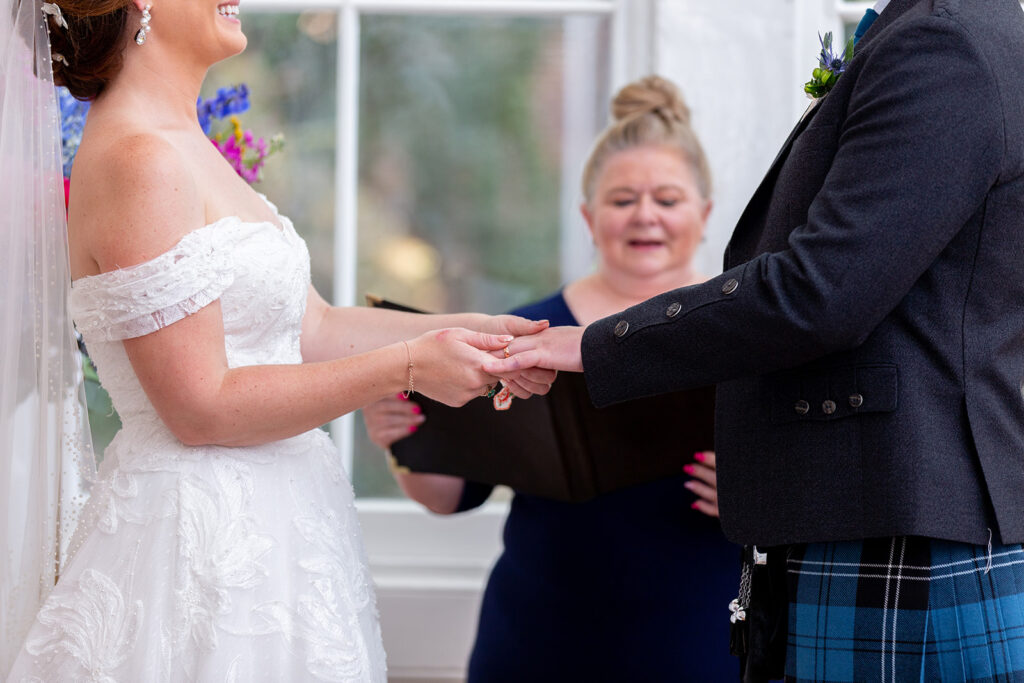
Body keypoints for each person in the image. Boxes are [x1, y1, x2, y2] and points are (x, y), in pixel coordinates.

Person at [1, 1, 556, 680]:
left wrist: (472, 333)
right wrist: (409, 365)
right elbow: (200, 406)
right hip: (200, 553)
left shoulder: (185, 140)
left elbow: (313, 327)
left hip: (284, 534)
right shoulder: (138, 158)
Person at [486, 1, 1024, 680]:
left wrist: (597, 344)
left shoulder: (945, 41)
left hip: (902, 528)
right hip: (882, 514)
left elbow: (822, 290)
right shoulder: (944, 31)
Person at [363, 76, 739, 681]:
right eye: (622, 200)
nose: (645, 215)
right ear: (590, 218)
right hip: (541, 640)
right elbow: (450, 495)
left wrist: (768, 496)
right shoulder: (527, 333)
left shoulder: (748, 333)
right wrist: (398, 438)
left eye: (667, 200)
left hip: (706, 638)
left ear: (705, 215)